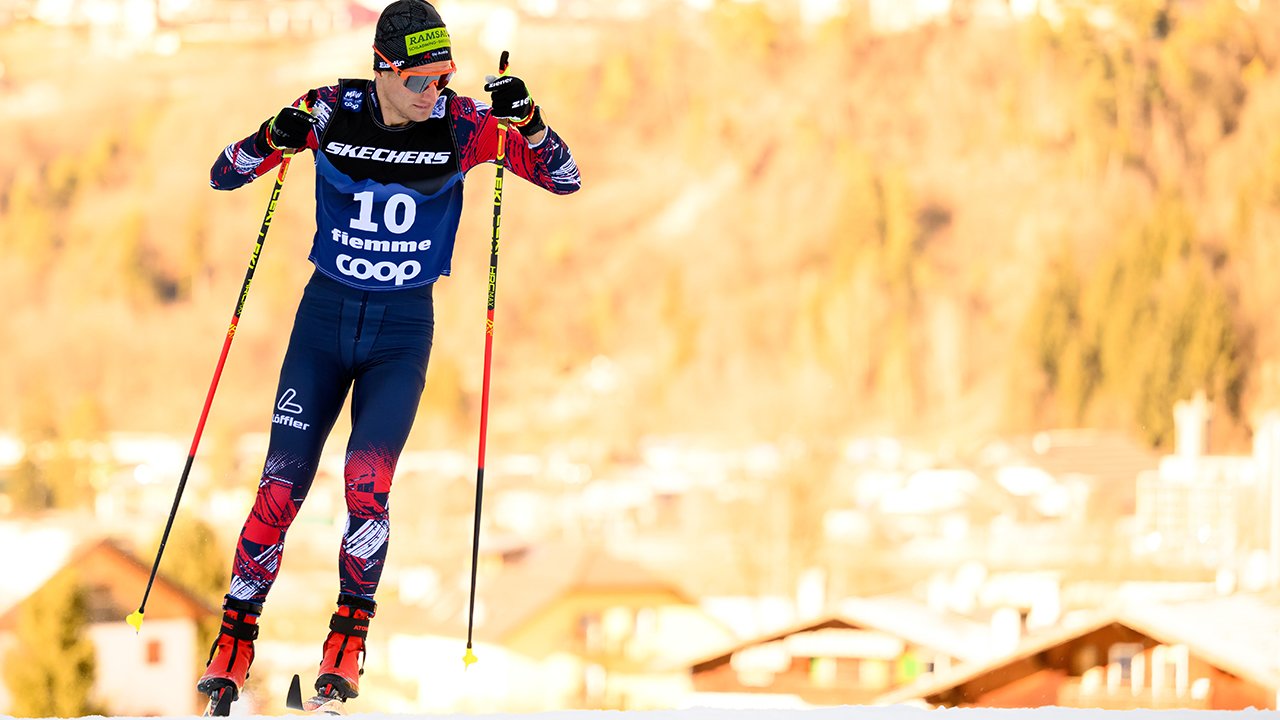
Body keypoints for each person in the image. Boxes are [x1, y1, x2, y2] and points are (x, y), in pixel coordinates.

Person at [195, 0, 580, 709]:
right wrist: (269, 136)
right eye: (424, 78)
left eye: (445, 76)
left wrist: (530, 123)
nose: (438, 90)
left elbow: (565, 177)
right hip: (326, 320)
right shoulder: (328, 109)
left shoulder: (464, 126)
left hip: (402, 328)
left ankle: (346, 644)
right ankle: (234, 639)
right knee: (281, 483)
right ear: (385, 69)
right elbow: (226, 172)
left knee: (366, 480)